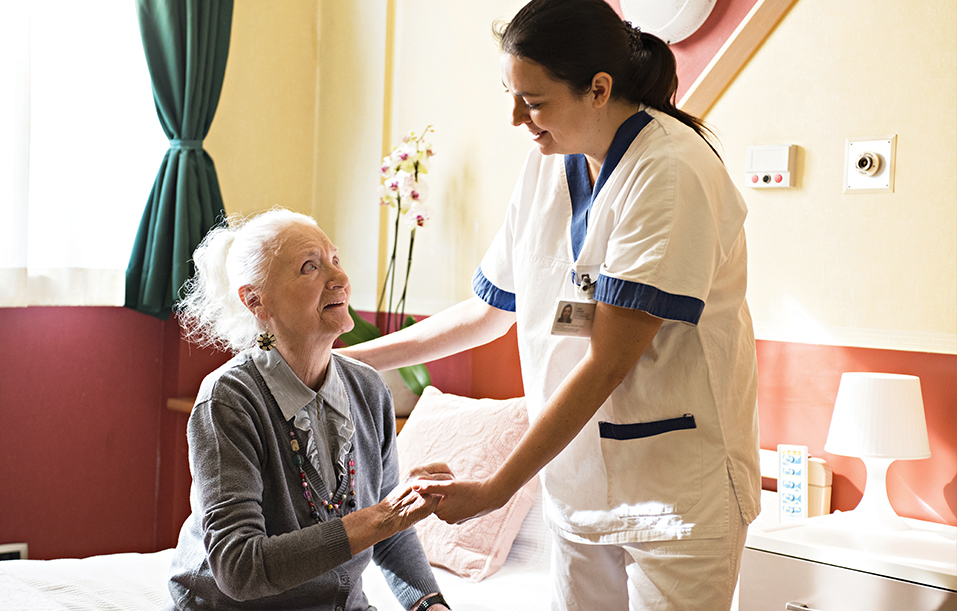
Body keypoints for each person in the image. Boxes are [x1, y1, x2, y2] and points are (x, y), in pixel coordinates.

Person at [338, 1, 760, 609]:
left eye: (533, 101)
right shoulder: (548, 167)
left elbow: (609, 360)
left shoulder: (670, 171)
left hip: (675, 492)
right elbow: (488, 313)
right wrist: (351, 361)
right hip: (576, 486)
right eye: (511, 95)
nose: (517, 118)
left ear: (598, 89)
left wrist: (494, 489)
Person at [167, 209, 451, 611]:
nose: (340, 280)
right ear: (256, 301)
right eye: (309, 268)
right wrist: (385, 516)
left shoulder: (369, 389)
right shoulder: (230, 400)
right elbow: (239, 568)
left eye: (335, 260)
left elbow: (390, 530)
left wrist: (428, 603)